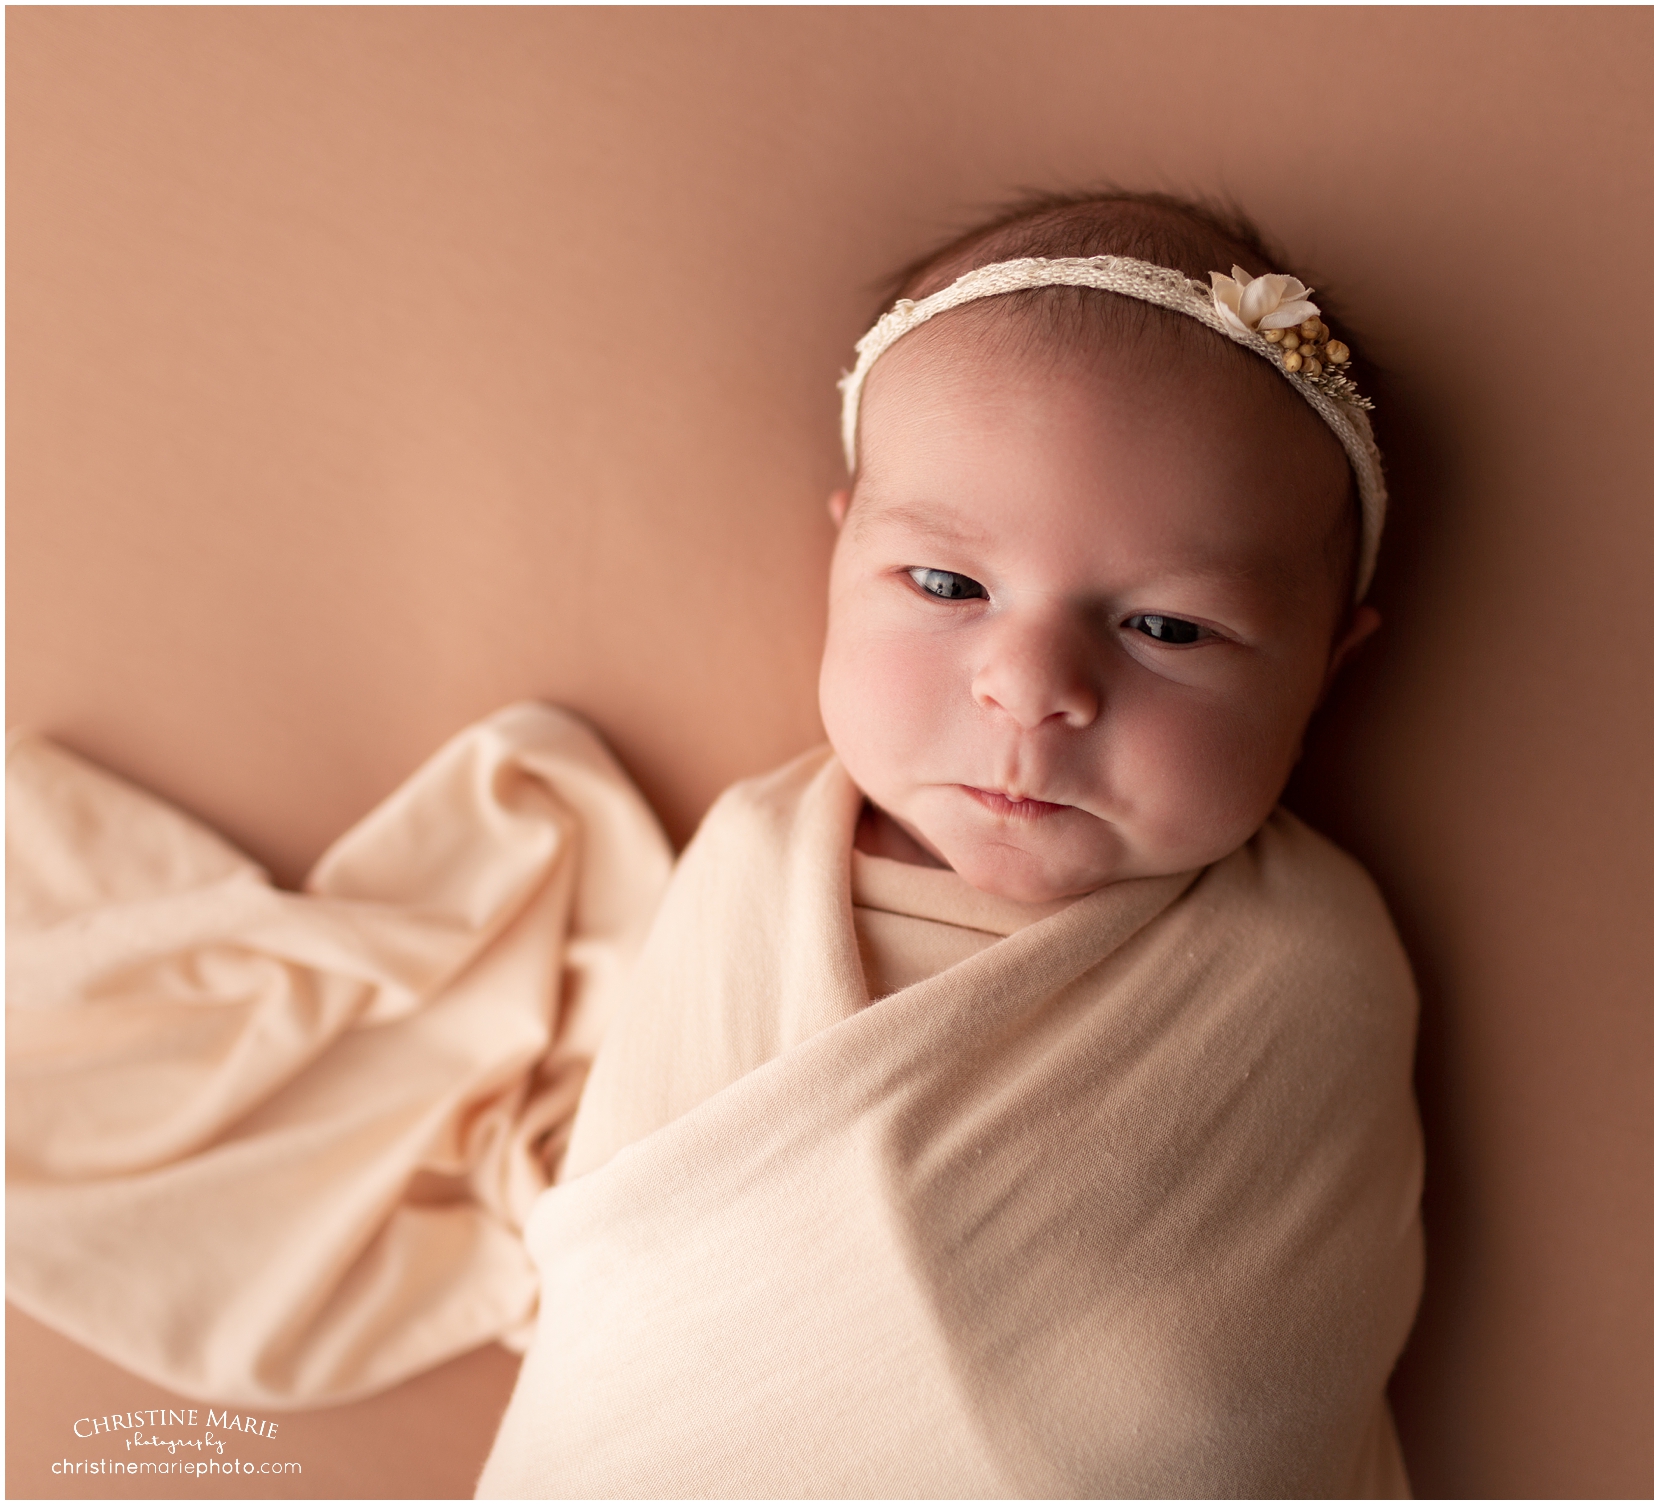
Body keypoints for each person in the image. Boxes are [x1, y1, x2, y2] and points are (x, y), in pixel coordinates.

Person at [8, 191, 1423, 1497]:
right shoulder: (752, 860)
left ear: (1326, 661)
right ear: (841, 556)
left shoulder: (1310, 968)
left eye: (1167, 627)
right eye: (945, 583)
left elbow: (1232, 1388)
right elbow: (658, 1267)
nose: (1029, 682)